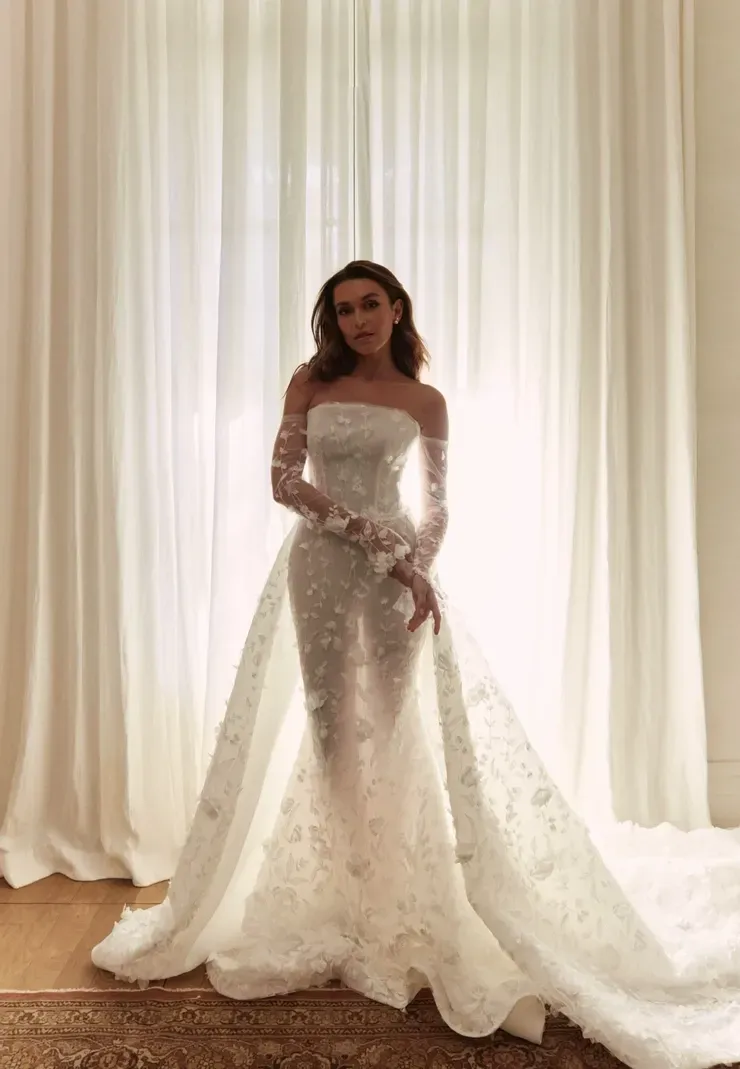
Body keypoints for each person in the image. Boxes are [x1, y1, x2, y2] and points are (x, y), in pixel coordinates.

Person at [93, 262, 740, 1069]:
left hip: (398, 571)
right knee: (335, 727)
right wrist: (376, 542)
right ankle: (346, 889)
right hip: (323, 570)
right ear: (331, 319)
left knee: (392, 728)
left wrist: (418, 565)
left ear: (397, 310)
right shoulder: (310, 381)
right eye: (344, 308)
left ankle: (393, 896)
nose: (359, 318)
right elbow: (282, 480)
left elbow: (438, 504)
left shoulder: (425, 401)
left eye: (372, 304)